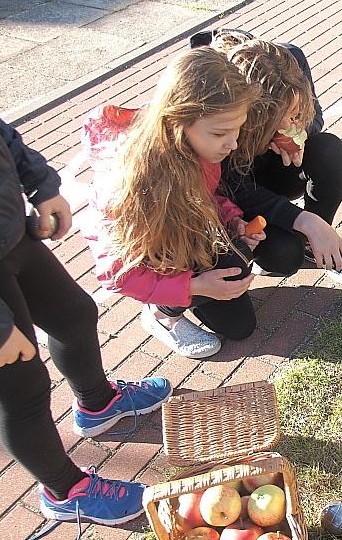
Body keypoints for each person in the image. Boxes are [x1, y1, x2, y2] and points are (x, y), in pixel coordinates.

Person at [0, 107, 171, 525]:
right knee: (21, 390)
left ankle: (98, 404)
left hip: (10, 234)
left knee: (74, 315)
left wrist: (40, 183)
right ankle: (64, 491)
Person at [83, 48, 264, 359]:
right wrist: (194, 287)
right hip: (155, 257)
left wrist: (232, 220)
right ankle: (161, 314)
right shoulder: (130, 184)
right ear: (178, 122)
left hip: (184, 241)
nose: (233, 144)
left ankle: (180, 292)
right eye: (220, 133)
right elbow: (116, 274)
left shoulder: (198, 148)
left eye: (237, 129)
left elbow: (205, 197)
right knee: (231, 300)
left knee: (240, 325)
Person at [189, 28, 342, 286]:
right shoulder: (222, 104)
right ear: (254, 115)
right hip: (237, 188)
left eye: (295, 112)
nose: (293, 121)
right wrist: (301, 220)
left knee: (330, 151)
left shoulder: (289, 62)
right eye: (285, 116)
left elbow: (315, 116)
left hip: (276, 167)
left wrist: (297, 133)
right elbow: (231, 184)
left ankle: (316, 243)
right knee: (284, 255)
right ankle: (283, 243)